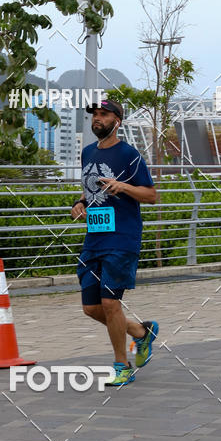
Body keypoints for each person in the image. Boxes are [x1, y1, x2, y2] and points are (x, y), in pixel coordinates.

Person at [70, 97, 158, 387]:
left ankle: (122, 366)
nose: (97, 117)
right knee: (91, 307)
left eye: (104, 114)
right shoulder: (87, 153)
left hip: (122, 237)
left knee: (110, 302)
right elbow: (88, 189)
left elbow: (150, 195)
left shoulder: (128, 155)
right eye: (94, 114)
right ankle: (142, 333)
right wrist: (80, 203)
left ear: (116, 122)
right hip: (94, 237)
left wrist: (124, 186)